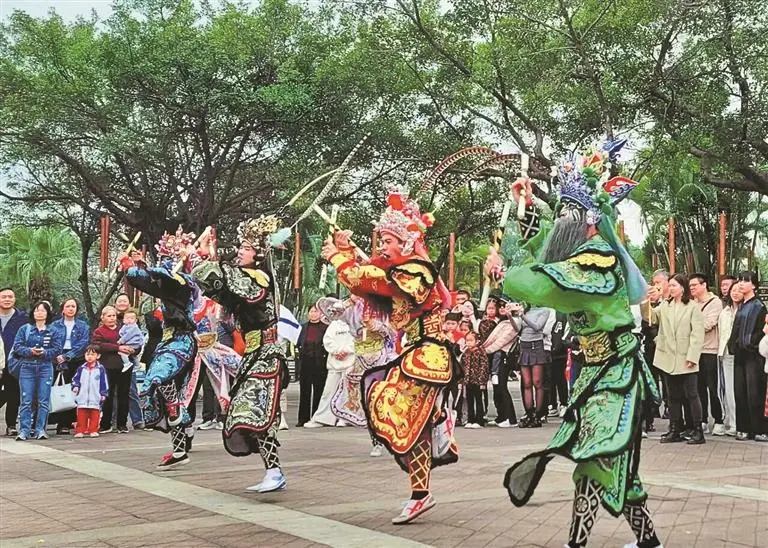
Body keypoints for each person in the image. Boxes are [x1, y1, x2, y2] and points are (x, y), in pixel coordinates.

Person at [488, 141, 663, 548]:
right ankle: (648, 541)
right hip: (597, 372)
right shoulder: (575, 252)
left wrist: (506, 274)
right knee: (611, 461)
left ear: (589, 220)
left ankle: (577, 544)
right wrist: (525, 208)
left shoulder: (596, 260)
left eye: (567, 213)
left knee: (595, 456)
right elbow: (543, 247)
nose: (560, 220)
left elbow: (546, 283)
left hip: (618, 372)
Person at [321, 189, 458, 525]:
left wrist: (341, 258)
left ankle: (440, 419)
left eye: (388, 240)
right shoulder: (398, 271)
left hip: (429, 354)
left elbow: (371, 280)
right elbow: (366, 280)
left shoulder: (417, 271)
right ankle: (420, 492)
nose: (382, 246)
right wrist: (346, 253)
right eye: (380, 240)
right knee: (409, 425)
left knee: (391, 403)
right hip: (412, 353)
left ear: (406, 243)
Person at [192, 215, 290, 492]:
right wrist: (205, 256)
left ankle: (274, 472)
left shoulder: (258, 281)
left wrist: (208, 257)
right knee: (251, 414)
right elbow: (212, 282)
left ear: (258, 255)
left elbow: (224, 278)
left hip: (268, 354)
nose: (240, 252)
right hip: (254, 355)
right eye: (241, 247)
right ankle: (274, 471)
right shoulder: (242, 281)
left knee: (254, 412)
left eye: (246, 248)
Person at [118, 227, 201, 468]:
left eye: (169, 257)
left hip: (182, 342)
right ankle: (180, 449)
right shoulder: (168, 283)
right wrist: (136, 266)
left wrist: (132, 268)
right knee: (169, 395)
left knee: (158, 377)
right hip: (169, 342)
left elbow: (155, 280)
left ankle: (181, 422)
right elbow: (153, 280)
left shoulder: (183, 282)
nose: (165, 261)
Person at [649, 274, 705, 444]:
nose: (670, 288)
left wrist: (692, 356)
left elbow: (697, 334)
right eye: (670, 285)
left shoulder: (693, 307)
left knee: (692, 395)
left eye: (674, 285)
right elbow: (651, 318)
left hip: (686, 357)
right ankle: (675, 429)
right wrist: (647, 301)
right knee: (673, 396)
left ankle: (697, 430)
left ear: (682, 287)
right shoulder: (665, 305)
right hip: (667, 358)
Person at [11, 301, 64, 440]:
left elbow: (57, 349)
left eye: (42, 310)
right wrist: (30, 351)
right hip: (27, 366)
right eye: (36, 310)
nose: (39, 313)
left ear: (48, 313)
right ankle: (24, 430)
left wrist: (44, 352)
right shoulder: (25, 329)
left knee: (43, 400)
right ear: (32, 313)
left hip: (45, 367)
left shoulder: (54, 330)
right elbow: (17, 347)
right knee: (26, 400)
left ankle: (40, 429)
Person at [728, 271, 768, 442]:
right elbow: (735, 330)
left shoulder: (759, 306)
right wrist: (733, 345)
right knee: (740, 392)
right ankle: (743, 428)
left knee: (755, 392)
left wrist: (751, 344)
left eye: (746, 281)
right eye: (740, 280)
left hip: (753, 355)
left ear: (754, 285)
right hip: (740, 354)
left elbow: (761, 332)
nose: (741, 283)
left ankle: (759, 429)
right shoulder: (741, 305)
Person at [305, 311, 356, 427]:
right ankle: (323, 418)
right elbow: (327, 340)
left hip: (349, 363)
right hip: (334, 364)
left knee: (347, 393)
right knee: (328, 392)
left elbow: (357, 340)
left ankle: (345, 418)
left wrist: (346, 350)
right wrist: (336, 351)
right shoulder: (333, 325)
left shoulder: (354, 323)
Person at [689, 273, 724, 435]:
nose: (691, 288)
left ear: (704, 285)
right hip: (695, 350)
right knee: (698, 387)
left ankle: (718, 420)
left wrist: (690, 327)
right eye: (690, 286)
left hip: (710, 350)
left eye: (694, 285)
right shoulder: (691, 303)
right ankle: (702, 420)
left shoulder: (715, 302)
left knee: (713, 387)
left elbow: (709, 324)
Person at [49, 298, 90, 435]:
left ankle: (67, 422)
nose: (71, 309)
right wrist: (58, 356)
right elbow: (51, 341)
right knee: (60, 389)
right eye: (68, 306)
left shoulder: (82, 325)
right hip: (58, 359)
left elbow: (83, 343)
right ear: (63, 309)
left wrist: (67, 356)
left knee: (73, 390)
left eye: (73, 306)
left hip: (76, 359)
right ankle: (57, 421)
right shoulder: (54, 325)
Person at [92, 305, 132, 434]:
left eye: (113, 315)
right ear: (103, 317)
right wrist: (117, 348)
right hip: (107, 366)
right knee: (107, 395)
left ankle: (122, 424)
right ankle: (105, 424)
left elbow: (135, 340)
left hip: (124, 366)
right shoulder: (99, 331)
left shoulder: (124, 329)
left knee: (124, 395)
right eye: (109, 316)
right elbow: (97, 345)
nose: (111, 318)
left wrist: (132, 349)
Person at [482, 301, 520, 427]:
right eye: (501, 307)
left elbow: (501, 342)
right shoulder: (501, 322)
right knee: (496, 387)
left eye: (507, 306)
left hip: (503, 356)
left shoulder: (513, 322)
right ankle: (501, 416)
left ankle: (511, 418)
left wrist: (484, 350)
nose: (503, 308)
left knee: (502, 386)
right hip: (495, 357)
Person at [517, 304, 551, 427]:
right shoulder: (526, 309)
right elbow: (517, 329)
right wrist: (511, 315)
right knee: (526, 383)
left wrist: (523, 316)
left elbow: (537, 327)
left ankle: (538, 414)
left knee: (537, 382)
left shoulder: (545, 310)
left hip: (536, 345)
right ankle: (529, 413)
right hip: (524, 345)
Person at [295, 304, 329, 427]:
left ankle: (316, 416)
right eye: (311, 311)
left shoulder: (325, 327)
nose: (313, 314)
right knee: (305, 390)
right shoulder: (303, 327)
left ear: (321, 314)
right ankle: (303, 418)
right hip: (306, 362)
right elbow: (298, 342)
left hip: (320, 362)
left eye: (316, 311)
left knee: (319, 390)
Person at [0, 288, 28, 436]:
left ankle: (11, 425)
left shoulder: (22, 318)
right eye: (3, 297)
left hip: (14, 362)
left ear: (14, 299)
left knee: (13, 394)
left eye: (10, 297)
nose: (7, 299)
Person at [718, 282, 743, 436]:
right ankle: (732, 422)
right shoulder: (725, 312)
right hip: (726, 353)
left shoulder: (745, 310)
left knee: (739, 390)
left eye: (739, 290)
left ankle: (740, 424)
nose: (735, 293)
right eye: (733, 290)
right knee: (729, 390)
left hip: (741, 355)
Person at [71, 345, 109, 438]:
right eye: (87, 354)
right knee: (81, 415)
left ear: (98, 356)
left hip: (95, 396)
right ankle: (80, 430)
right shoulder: (81, 368)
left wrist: (103, 393)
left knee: (95, 414)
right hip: (82, 396)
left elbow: (104, 382)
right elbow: (75, 379)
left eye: (92, 354)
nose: (90, 357)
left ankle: (93, 430)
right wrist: (75, 386)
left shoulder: (100, 369)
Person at [462, 331, 489, 428]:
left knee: (478, 400)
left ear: (477, 341)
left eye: (471, 340)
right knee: (469, 400)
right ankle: (470, 419)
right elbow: (463, 366)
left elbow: (484, 367)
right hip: (468, 380)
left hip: (477, 380)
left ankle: (479, 420)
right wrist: (462, 380)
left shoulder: (481, 352)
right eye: (467, 340)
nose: (469, 343)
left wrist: (482, 381)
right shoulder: (466, 352)